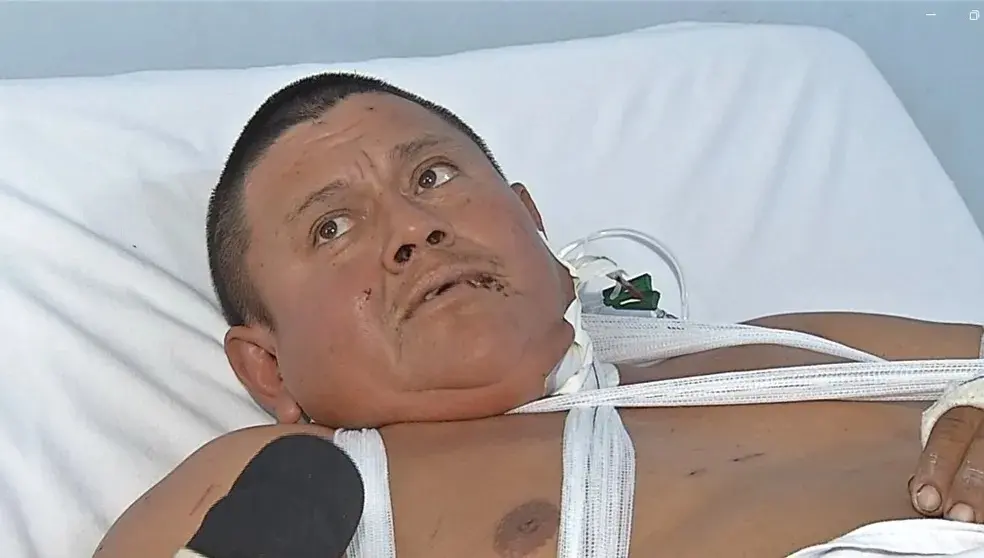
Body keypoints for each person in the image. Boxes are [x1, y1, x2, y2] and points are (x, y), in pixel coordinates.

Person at [94, 72, 984, 558]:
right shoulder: (275, 486)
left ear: (533, 222)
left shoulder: (812, 349)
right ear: (268, 370)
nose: (413, 229)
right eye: (333, 226)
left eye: (434, 176)